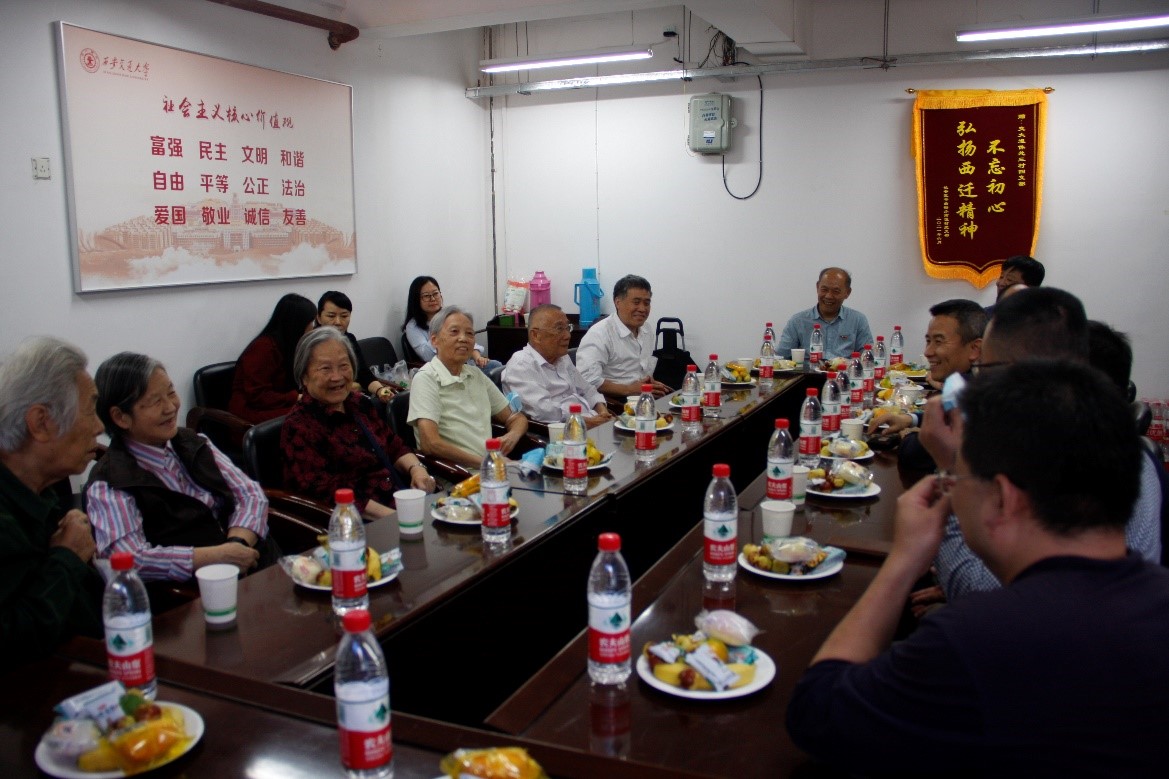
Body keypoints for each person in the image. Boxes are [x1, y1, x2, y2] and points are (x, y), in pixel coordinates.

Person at [786, 361, 1169, 774]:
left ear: (1002, 498)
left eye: (956, 478)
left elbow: (818, 712)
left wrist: (904, 560)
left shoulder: (980, 639)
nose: (952, 492)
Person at [918, 287, 1161, 603]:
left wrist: (951, 472)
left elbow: (982, 592)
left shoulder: (1079, 462)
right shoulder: (1083, 441)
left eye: (985, 369)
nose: (983, 385)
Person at [86, 352, 274, 586]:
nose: (171, 407)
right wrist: (215, 557)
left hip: (253, 567)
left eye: (171, 392)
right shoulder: (110, 483)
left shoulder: (193, 442)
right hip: (198, 592)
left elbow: (250, 494)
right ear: (121, 417)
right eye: (155, 401)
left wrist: (237, 543)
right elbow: (129, 558)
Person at [0, 337, 106, 661]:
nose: (99, 426)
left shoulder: (41, 488)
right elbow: (10, 644)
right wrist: (68, 557)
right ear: (41, 423)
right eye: (90, 411)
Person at [282, 328, 435, 519]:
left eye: (344, 366)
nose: (337, 377)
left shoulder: (359, 403)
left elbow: (393, 445)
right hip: (357, 522)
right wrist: (395, 518)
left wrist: (417, 469)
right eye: (325, 368)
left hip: (401, 501)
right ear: (304, 376)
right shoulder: (299, 426)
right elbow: (327, 492)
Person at [867, 299, 985, 473]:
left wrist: (907, 437)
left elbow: (917, 454)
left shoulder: (977, 392)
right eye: (928, 341)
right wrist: (910, 419)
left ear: (975, 348)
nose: (927, 352)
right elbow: (946, 415)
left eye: (939, 341)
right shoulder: (970, 379)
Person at [408, 305, 528, 469]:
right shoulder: (426, 378)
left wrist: (512, 435)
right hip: (459, 475)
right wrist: (488, 463)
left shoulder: (475, 374)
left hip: (492, 469)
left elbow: (515, 418)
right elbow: (430, 444)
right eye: (454, 332)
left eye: (470, 333)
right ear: (434, 340)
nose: (463, 338)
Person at [502, 304, 613, 427]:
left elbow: (587, 389)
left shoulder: (562, 358)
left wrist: (603, 412)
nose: (567, 335)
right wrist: (584, 421)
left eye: (567, 328)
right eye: (559, 329)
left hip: (593, 421)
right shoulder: (521, 365)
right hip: (562, 431)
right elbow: (542, 411)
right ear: (536, 335)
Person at [576, 274, 671, 398]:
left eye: (646, 303)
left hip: (643, 396)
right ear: (618, 302)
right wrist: (629, 389)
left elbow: (640, 370)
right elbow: (587, 380)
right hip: (614, 401)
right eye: (636, 302)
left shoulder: (646, 329)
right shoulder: (599, 334)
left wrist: (648, 383)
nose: (642, 309)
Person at [229, 293, 316, 423]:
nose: (313, 328)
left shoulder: (290, 344)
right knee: (309, 413)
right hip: (249, 413)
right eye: (310, 323)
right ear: (296, 324)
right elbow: (257, 396)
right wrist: (295, 397)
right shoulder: (263, 348)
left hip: (275, 405)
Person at [401, 276, 502, 379]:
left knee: (496, 366)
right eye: (426, 296)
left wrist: (478, 358)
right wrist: (437, 326)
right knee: (490, 376)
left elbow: (468, 342)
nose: (433, 299)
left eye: (435, 294)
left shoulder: (449, 316)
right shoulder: (412, 327)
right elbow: (427, 355)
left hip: (465, 363)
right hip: (444, 371)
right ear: (416, 300)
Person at [777, 267, 873, 361]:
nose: (828, 296)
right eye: (824, 289)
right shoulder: (797, 321)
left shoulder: (858, 320)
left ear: (847, 292)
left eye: (836, 291)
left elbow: (868, 358)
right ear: (817, 287)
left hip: (843, 371)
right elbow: (781, 358)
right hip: (808, 371)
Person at [316, 290, 396, 401]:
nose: (338, 322)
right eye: (331, 316)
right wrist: (351, 385)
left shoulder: (349, 339)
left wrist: (382, 391)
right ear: (319, 318)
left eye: (344, 316)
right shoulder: (311, 345)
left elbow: (364, 374)